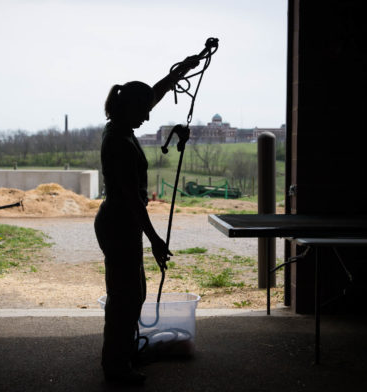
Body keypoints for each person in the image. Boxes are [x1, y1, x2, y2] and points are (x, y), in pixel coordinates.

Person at [94, 55, 200, 385]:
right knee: (125, 296)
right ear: (129, 109)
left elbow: (156, 91)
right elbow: (132, 202)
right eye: (143, 112)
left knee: (133, 292)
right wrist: (155, 240)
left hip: (121, 221)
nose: (148, 117)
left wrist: (185, 67)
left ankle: (123, 352)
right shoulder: (118, 144)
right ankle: (115, 366)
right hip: (119, 222)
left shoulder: (121, 125)